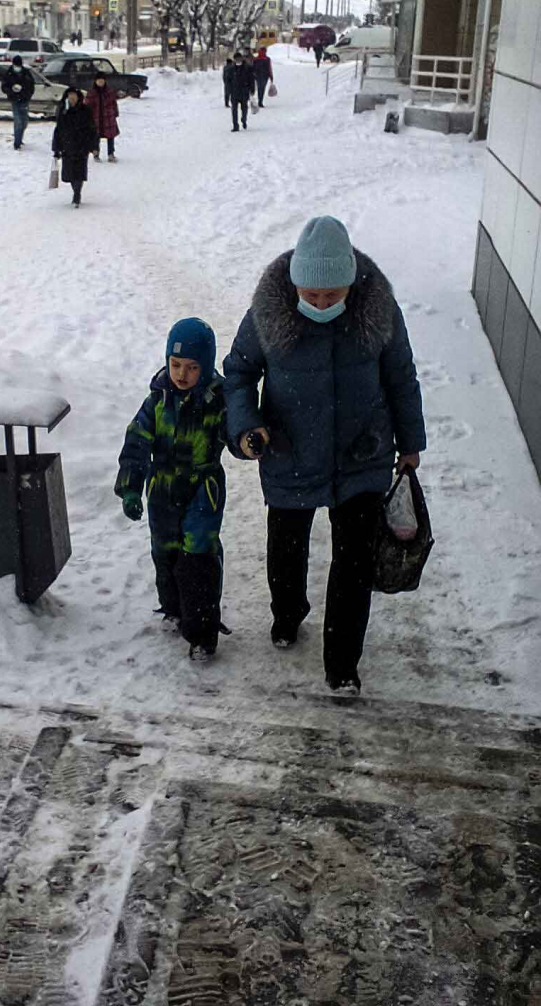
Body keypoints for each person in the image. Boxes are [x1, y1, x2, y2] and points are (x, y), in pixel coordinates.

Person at [222, 216, 426, 694]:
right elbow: (238, 373)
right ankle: (288, 613)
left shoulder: (379, 312)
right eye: (311, 296)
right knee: (286, 552)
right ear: (295, 285)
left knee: (354, 561)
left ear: (350, 284)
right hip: (289, 450)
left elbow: (401, 377)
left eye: (331, 296)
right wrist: (247, 426)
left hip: (363, 454)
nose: (320, 304)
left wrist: (410, 442)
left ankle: (342, 665)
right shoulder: (268, 312)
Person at [116, 318, 232, 658]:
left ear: (206, 366)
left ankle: (202, 632)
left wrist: (246, 437)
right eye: (176, 364)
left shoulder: (216, 401)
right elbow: (137, 442)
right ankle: (173, 608)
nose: (181, 374)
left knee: (198, 556)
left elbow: (234, 432)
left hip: (202, 488)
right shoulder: (157, 401)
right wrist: (131, 488)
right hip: (163, 490)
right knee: (165, 552)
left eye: (192, 367)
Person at [51, 86, 98, 207]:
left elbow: (92, 129)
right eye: (69, 96)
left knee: (80, 171)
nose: (72, 98)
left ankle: (77, 193)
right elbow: (58, 130)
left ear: (78, 98)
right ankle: (75, 189)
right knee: (70, 172)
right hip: (67, 145)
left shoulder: (86, 110)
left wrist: (94, 146)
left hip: (82, 145)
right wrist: (56, 148)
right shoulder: (62, 111)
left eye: (74, 96)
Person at [1, 54, 36, 151]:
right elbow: (4, 87)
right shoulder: (9, 74)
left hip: (25, 100)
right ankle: (17, 143)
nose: (17, 68)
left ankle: (20, 139)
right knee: (18, 122)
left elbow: (31, 86)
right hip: (15, 100)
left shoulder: (26, 73)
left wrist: (26, 93)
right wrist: (12, 90)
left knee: (24, 122)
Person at [88, 71, 120, 163]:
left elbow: (114, 103)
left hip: (108, 118)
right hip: (96, 118)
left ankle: (111, 154)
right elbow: (87, 105)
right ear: (95, 81)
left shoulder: (109, 91)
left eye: (102, 80)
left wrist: (115, 113)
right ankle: (96, 154)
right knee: (95, 137)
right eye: (99, 80)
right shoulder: (92, 92)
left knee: (111, 136)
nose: (100, 82)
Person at [229, 51, 255, 132]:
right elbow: (228, 80)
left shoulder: (247, 68)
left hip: (244, 90)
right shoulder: (231, 69)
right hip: (234, 92)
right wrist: (228, 91)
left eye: (239, 58)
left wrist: (252, 89)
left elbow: (252, 79)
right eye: (236, 59)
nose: (237, 60)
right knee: (234, 110)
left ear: (241, 58)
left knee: (244, 108)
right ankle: (235, 125)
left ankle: (244, 119)